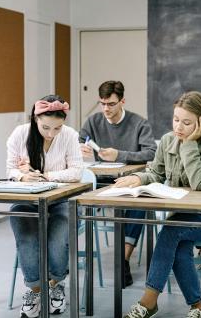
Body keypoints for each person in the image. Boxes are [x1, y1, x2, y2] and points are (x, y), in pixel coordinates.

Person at [114, 91, 201, 318]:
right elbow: (156, 173)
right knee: (177, 243)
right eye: (176, 119)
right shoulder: (168, 140)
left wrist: (189, 144)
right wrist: (139, 179)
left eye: (186, 122)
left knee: (170, 231)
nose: (178, 127)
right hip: (183, 218)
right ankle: (198, 308)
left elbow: (199, 183)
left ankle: (148, 302)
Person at [7, 95, 83, 318]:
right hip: (27, 200)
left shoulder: (70, 136)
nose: (51, 133)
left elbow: (77, 171)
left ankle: (55, 284)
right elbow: (10, 170)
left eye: (57, 128)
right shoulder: (20, 134)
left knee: (57, 238)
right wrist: (22, 177)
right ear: (35, 118)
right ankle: (35, 290)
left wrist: (45, 175)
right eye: (46, 127)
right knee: (27, 238)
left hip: (60, 200)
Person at [79, 80, 157, 286]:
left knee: (139, 200)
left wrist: (118, 154)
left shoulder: (139, 123)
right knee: (71, 198)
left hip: (130, 180)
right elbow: (78, 142)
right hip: (99, 180)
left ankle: (122, 260)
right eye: (102, 103)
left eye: (111, 104)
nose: (106, 109)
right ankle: (64, 256)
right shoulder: (93, 122)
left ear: (122, 101)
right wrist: (81, 149)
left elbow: (151, 152)